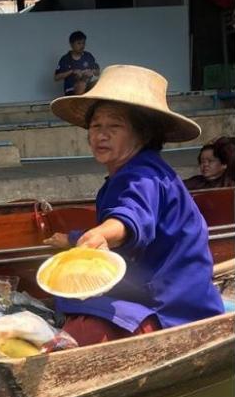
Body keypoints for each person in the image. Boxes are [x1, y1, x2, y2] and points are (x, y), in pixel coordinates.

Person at [44, 64, 223, 347]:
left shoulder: (144, 176)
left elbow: (131, 217)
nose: (101, 135)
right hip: (157, 292)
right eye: (95, 126)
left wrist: (102, 234)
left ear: (142, 135)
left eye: (114, 126)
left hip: (174, 309)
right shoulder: (135, 172)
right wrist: (78, 238)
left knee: (80, 331)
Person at [54, 31, 100, 95]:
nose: (82, 46)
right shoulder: (65, 59)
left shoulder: (88, 56)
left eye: (83, 43)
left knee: (99, 83)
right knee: (81, 84)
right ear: (71, 44)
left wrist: (92, 71)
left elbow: (97, 73)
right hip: (71, 90)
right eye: (79, 43)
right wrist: (71, 72)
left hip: (87, 88)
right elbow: (56, 77)